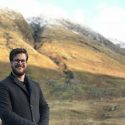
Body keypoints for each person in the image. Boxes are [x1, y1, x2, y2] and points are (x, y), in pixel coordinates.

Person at [0, 48, 49, 125]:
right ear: (11, 62)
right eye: (17, 60)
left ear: (26, 63)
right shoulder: (3, 85)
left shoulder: (35, 85)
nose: (20, 63)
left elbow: (44, 106)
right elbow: (5, 114)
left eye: (23, 61)